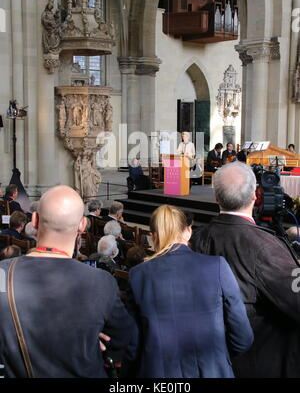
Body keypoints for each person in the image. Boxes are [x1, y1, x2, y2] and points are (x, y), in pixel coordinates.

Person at [0, 185, 138, 378]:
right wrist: (89, 337)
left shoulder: (2, 274)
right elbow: (124, 338)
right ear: (82, 225)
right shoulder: (101, 282)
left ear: (35, 220)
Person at [191, 162, 300, 378]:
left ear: (216, 198)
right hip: (261, 360)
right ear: (254, 196)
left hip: (212, 359)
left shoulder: (197, 238)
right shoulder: (264, 246)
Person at [126, 205, 253, 378]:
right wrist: (217, 357)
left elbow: (132, 343)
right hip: (212, 370)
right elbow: (242, 337)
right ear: (188, 231)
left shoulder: (137, 275)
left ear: (152, 237)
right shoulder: (217, 266)